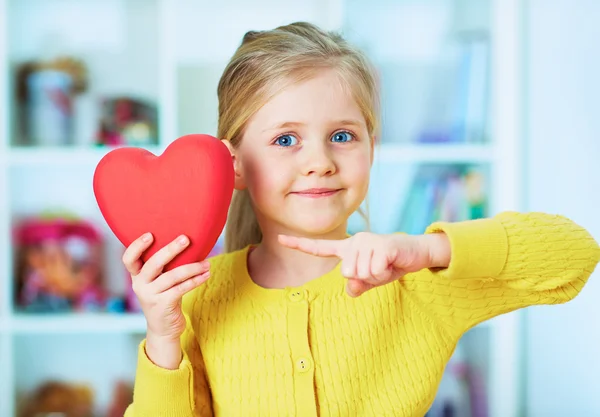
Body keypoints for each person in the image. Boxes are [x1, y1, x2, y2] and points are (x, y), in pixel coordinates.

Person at [122, 22, 600, 417]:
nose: (320, 161)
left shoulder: (416, 282)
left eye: (343, 136)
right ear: (235, 165)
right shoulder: (197, 297)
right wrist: (163, 338)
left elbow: (573, 255)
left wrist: (429, 250)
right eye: (286, 140)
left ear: (372, 148)